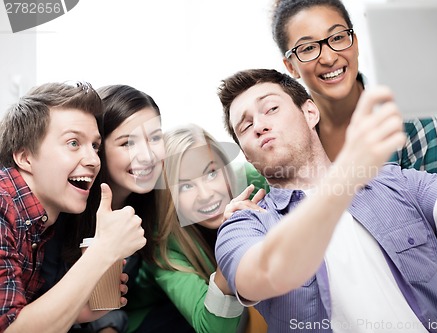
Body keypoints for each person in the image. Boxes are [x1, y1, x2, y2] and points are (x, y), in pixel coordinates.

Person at [215, 33, 437, 333]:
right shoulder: (244, 223)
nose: (259, 125)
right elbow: (267, 273)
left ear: (310, 112)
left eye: (271, 108)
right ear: (245, 152)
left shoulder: (395, 182)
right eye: (245, 126)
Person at [0, 82, 146, 332]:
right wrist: (104, 250)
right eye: (73, 143)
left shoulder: (40, 224)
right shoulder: (3, 206)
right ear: (25, 157)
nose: (93, 160)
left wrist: (78, 312)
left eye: (95, 146)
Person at [56, 84, 196, 333]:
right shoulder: (66, 208)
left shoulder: (149, 205)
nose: (147, 155)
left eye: (155, 138)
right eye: (127, 143)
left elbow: (109, 304)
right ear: (98, 149)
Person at [271, 0, 437, 177]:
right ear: (291, 67)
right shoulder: (285, 136)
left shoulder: (408, 118)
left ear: (355, 42)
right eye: (308, 48)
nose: (329, 58)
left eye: (337, 38)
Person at [125, 124, 266, 333]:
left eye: (211, 173)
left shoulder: (252, 181)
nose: (206, 194)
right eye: (185, 186)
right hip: (157, 320)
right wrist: (232, 245)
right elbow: (213, 329)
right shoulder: (163, 245)